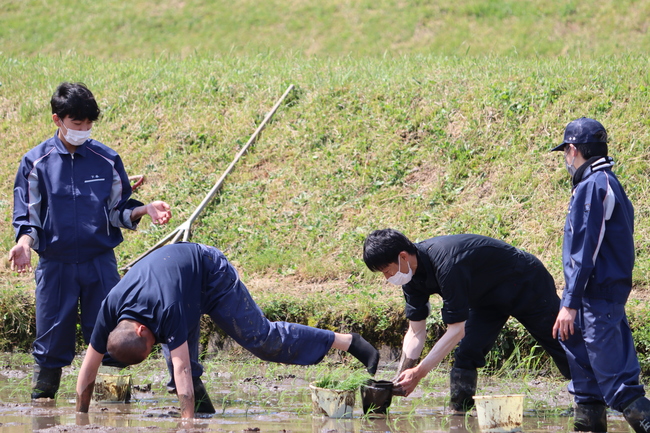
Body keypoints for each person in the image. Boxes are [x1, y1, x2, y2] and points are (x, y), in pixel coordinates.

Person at [75, 242, 380, 419]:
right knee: (181, 366)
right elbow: (88, 370)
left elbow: (180, 368)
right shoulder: (110, 309)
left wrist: (186, 424)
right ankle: (206, 412)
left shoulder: (167, 310)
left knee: (263, 339)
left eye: (153, 342)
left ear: (142, 329)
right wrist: (81, 415)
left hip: (209, 273)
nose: (159, 345)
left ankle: (348, 342)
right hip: (178, 287)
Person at [9, 82, 172, 400]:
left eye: (88, 124)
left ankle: (114, 410)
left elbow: (118, 210)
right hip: (55, 266)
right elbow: (28, 217)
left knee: (114, 336)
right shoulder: (35, 164)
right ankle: (43, 408)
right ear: (58, 120)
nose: (83, 130)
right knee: (51, 340)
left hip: (100, 264)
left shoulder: (106, 160)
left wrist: (144, 209)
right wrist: (25, 244)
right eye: (76, 123)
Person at [362, 229, 571, 411]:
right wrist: (402, 374)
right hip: (487, 299)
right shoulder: (410, 278)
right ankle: (459, 414)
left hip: (525, 283)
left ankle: (592, 404)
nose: (387, 277)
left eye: (387, 270)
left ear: (403, 257)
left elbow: (456, 330)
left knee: (562, 343)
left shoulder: (447, 263)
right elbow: (416, 331)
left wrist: (419, 372)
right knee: (466, 353)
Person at [551, 117, 650, 433]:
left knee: (619, 385)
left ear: (573, 149)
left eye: (565, 152)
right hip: (589, 301)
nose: (566, 159)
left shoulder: (595, 186)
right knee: (587, 385)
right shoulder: (600, 183)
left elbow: (585, 250)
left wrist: (569, 302)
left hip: (596, 300)